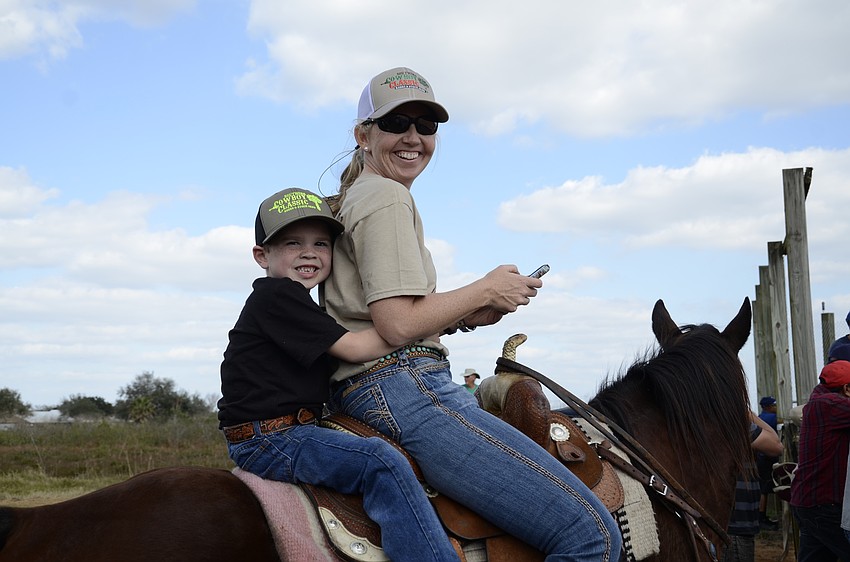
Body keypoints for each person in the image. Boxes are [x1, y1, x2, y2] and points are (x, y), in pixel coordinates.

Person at [324, 66, 622, 562]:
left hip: (382, 383)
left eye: (426, 125)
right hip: (405, 387)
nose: (413, 137)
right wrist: (486, 285)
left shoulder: (363, 195)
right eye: (397, 123)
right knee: (591, 534)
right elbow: (396, 324)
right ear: (363, 135)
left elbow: (391, 317)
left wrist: (467, 314)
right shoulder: (386, 196)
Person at [217, 188, 458, 562]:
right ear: (262, 255)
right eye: (292, 243)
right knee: (380, 461)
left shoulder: (301, 308)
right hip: (272, 437)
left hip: (287, 429)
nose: (309, 252)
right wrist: (417, 323)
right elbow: (357, 349)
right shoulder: (276, 297)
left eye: (321, 243)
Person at [790, 360, 850, 561]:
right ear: (847, 389)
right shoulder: (832, 405)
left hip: (810, 502)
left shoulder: (819, 401)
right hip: (823, 505)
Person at [721, 412, 784, 562]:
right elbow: (776, 445)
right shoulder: (731, 424)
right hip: (736, 522)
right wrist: (745, 410)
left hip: (724, 519)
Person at [756, 396, 780, 529]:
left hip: (761, 457)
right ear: (767, 407)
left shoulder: (760, 417)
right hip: (766, 459)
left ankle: (762, 517)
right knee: (764, 488)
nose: (775, 407)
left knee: (763, 487)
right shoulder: (771, 418)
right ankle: (762, 518)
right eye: (773, 405)